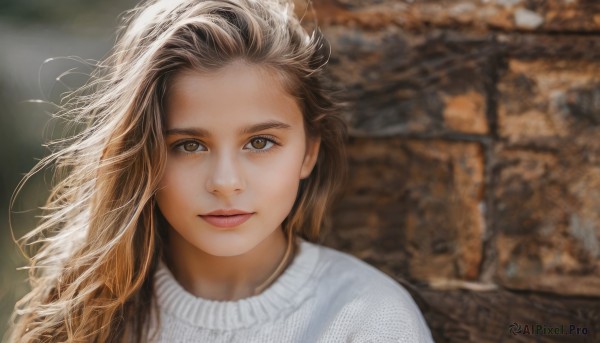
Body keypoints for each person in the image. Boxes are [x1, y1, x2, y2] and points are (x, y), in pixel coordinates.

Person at [8, 0, 435, 342]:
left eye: (260, 142)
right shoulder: (83, 313)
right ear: (139, 156)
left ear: (309, 153)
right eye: (189, 146)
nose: (226, 183)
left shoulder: (369, 321)